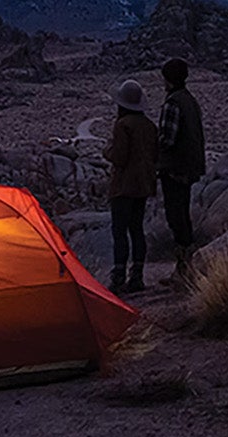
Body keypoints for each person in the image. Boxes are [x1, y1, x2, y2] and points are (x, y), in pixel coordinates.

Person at [103, 79, 158, 294]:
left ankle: (118, 276)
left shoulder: (123, 126)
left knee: (119, 230)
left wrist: (106, 151)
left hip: (123, 186)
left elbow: (119, 157)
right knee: (137, 229)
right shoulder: (149, 126)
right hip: (143, 184)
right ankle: (137, 275)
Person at [157, 58, 206, 284]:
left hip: (175, 168)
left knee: (175, 216)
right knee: (183, 214)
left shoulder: (173, 103)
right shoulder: (190, 101)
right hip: (189, 167)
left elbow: (167, 139)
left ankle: (183, 268)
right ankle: (187, 266)